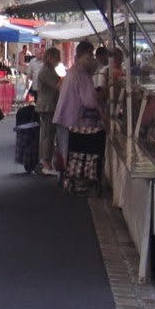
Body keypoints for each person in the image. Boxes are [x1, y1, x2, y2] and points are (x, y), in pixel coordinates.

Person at [53, 40, 104, 194]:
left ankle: (66, 177)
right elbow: (90, 101)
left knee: (65, 150)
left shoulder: (74, 71)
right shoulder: (81, 74)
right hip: (73, 119)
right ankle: (73, 178)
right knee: (72, 151)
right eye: (91, 54)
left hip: (65, 117)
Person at [32, 47, 62, 174]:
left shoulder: (49, 70)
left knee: (48, 134)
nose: (58, 60)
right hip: (47, 106)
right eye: (57, 57)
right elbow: (57, 86)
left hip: (48, 105)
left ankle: (46, 162)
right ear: (50, 57)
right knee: (47, 135)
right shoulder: (46, 71)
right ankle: (46, 163)